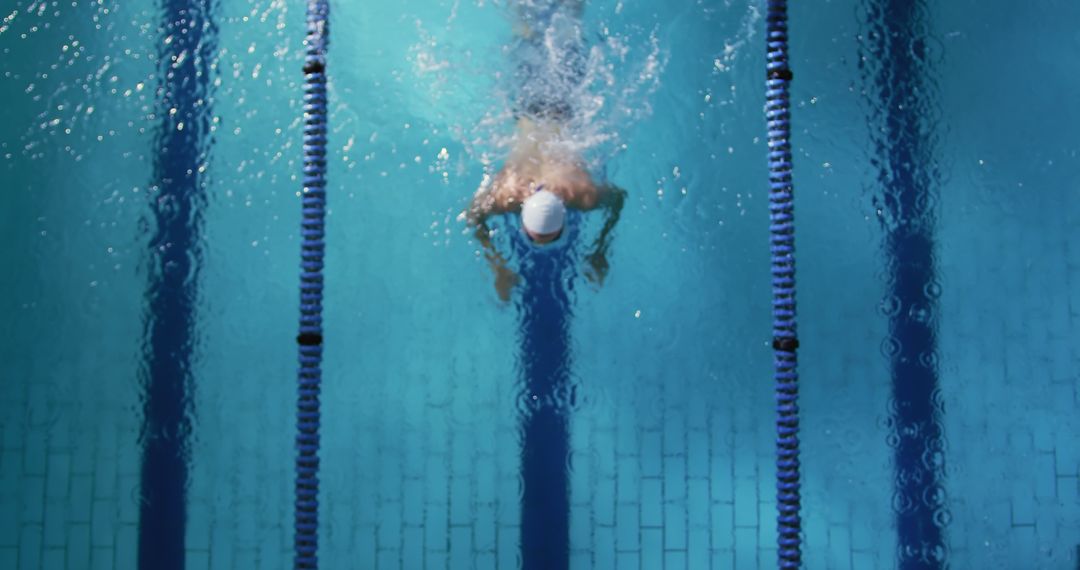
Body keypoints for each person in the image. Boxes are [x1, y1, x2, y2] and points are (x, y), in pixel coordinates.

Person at [464, 1, 626, 301]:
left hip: (560, 104)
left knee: (560, 32)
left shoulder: (578, 194)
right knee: (530, 33)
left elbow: (473, 216)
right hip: (532, 105)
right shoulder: (515, 194)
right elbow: (618, 199)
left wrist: (498, 266)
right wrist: (600, 250)